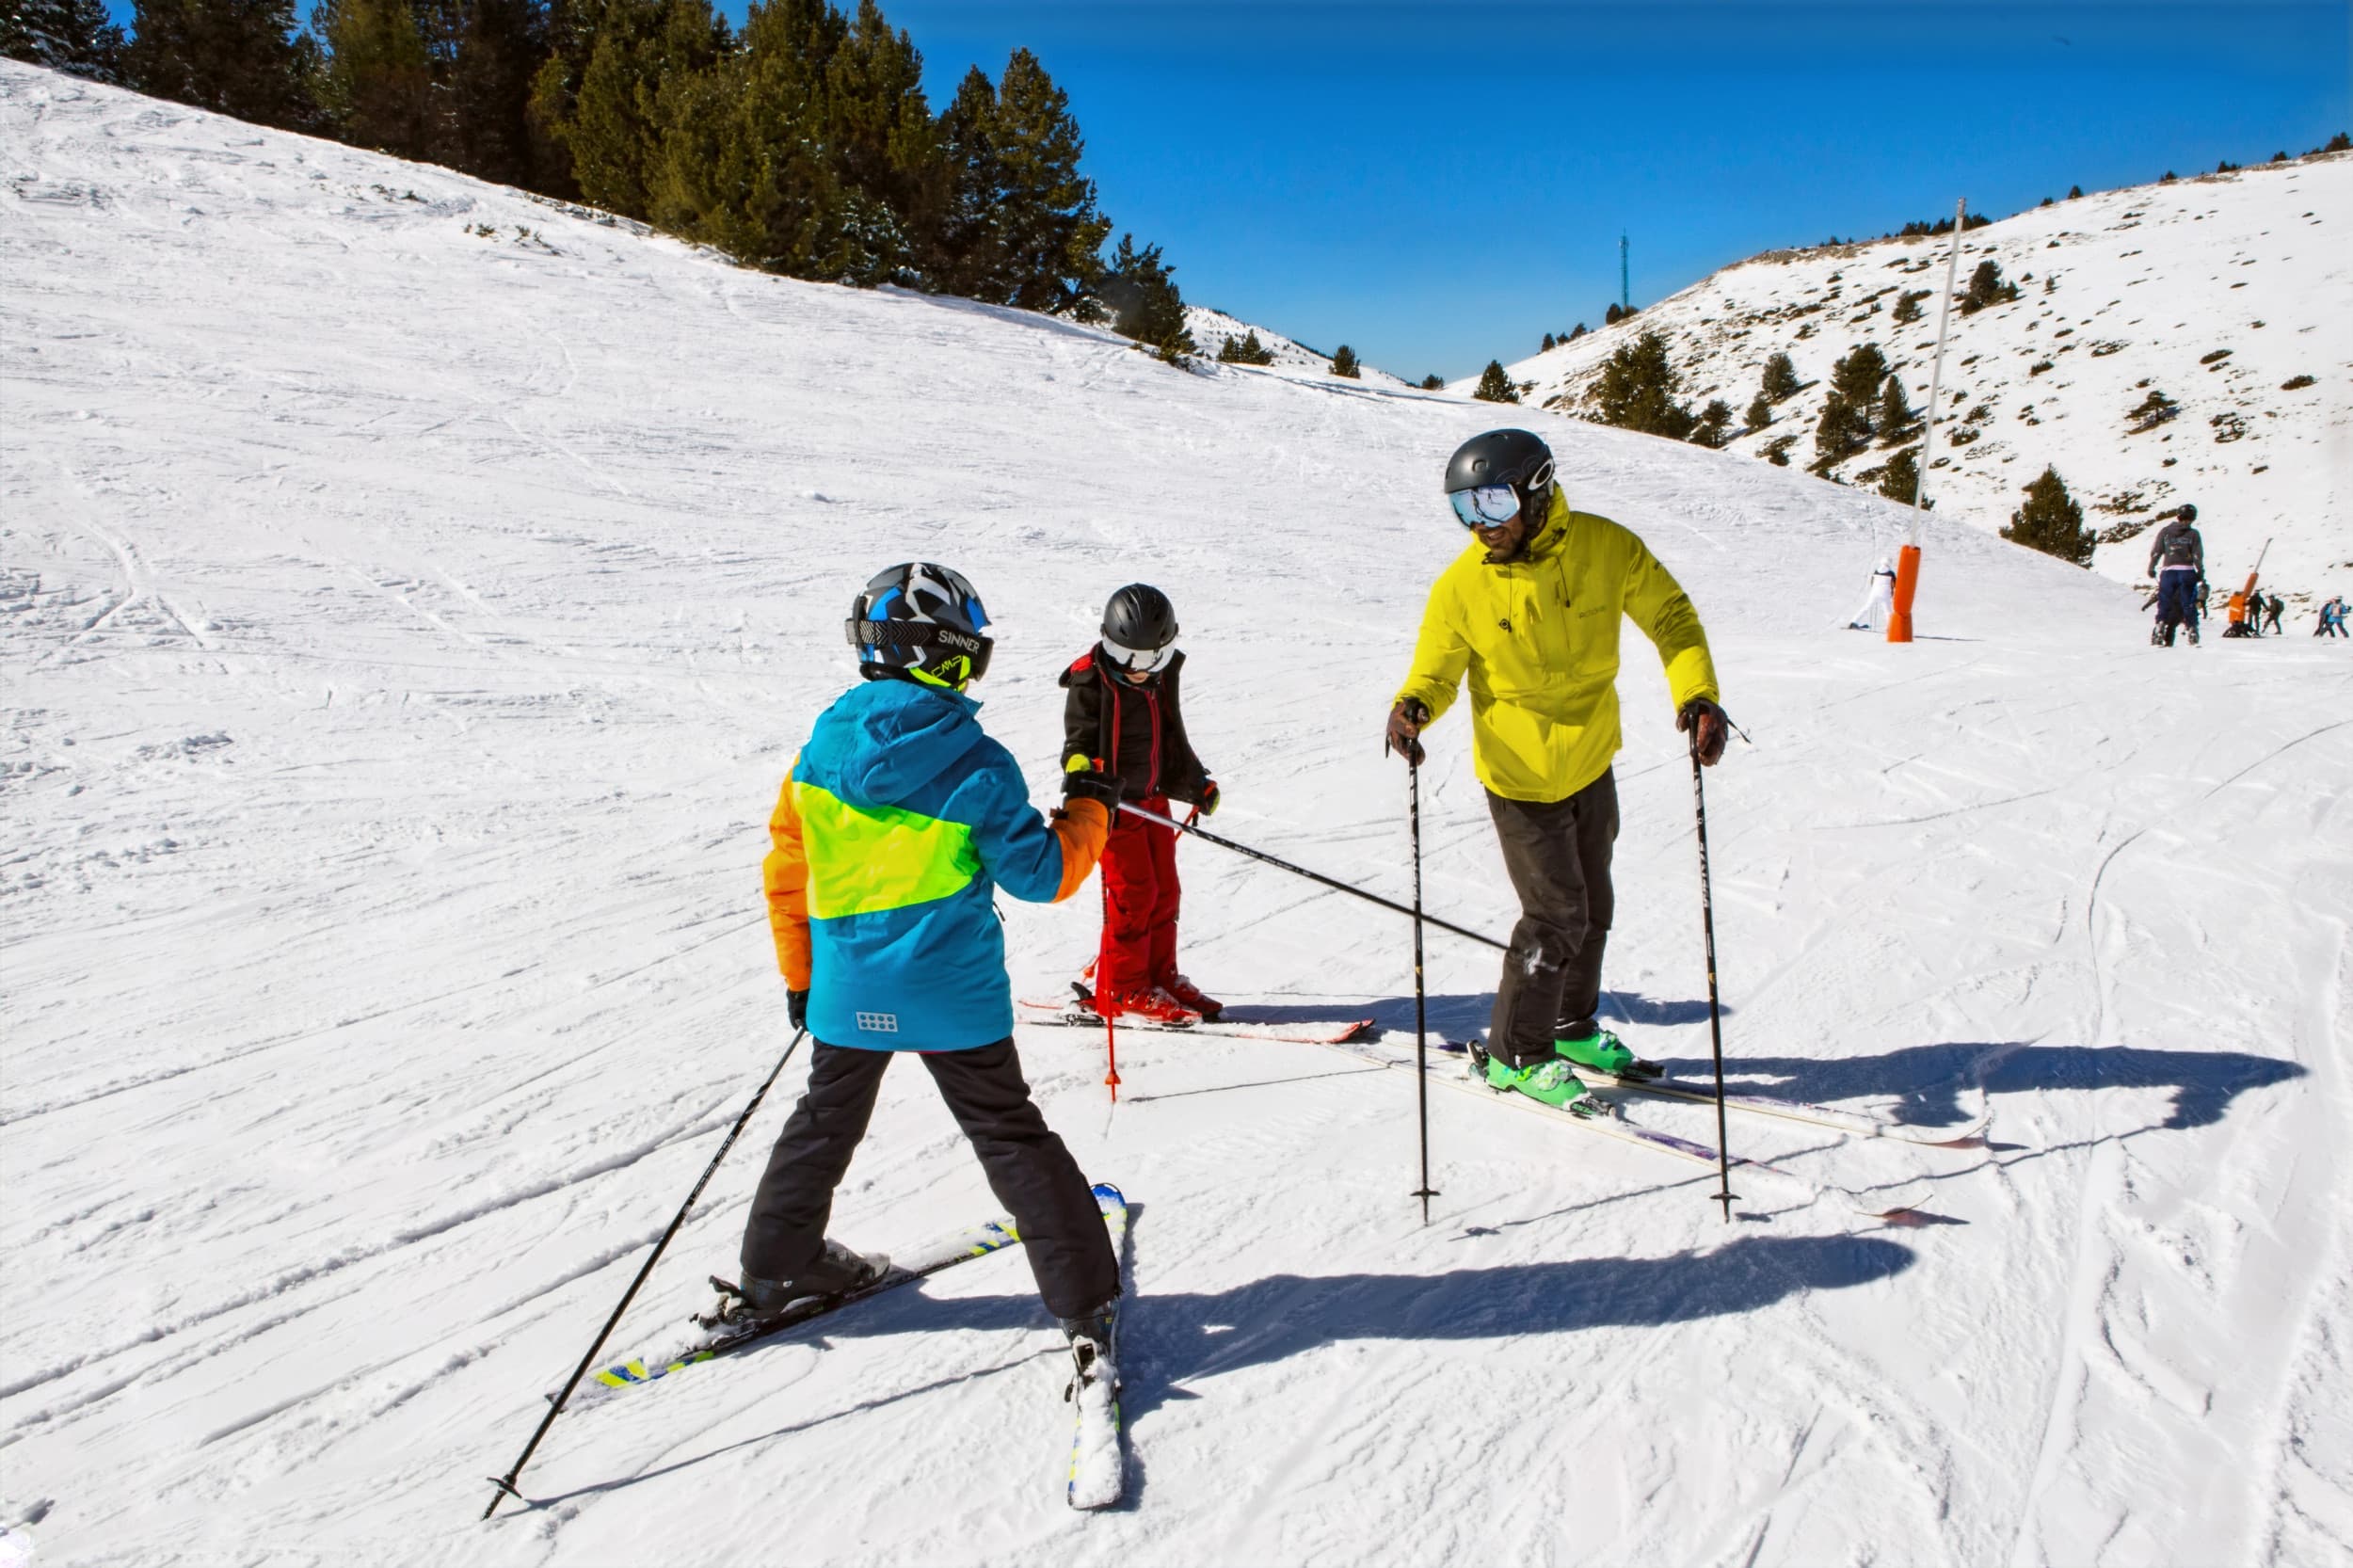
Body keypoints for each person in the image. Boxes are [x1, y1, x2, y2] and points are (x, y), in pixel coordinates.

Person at [724, 562, 1126, 1372]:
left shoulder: (818, 753)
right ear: (941, 656)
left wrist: (803, 980)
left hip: (847, 989)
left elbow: (787, 872)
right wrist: (1091, 808)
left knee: (823, 1121)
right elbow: (1042, 876)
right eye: (970, 651)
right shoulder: (976, 761)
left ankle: (775, 1269)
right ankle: (1085, 1298)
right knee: (1008, 1133)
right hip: (950, 995)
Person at [1386, 429, 1727, 1113]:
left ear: (1536, 489)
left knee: (1593, 907)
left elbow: (1671, 617)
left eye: (1490, 501)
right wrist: (1414, 703)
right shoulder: (1461, 587)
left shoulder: (1607, 548)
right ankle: (1517, 1051)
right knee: (1554, 916)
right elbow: (1437, 665)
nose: (1479, 524)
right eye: (1463, 508)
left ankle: (1569, 1028)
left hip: (1590, 758)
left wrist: (1697, 693)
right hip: (1518, 775)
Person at [1060, 584, 1222, 1025]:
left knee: (1165, 890)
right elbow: (1076, 741)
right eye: (1125, 654)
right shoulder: (1090, 680)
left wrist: (1195, 783)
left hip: (1153, 800)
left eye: (1152, 658)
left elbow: (1170, 735)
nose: (1137, 668)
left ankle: (1158, 974)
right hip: (1114, 808)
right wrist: (1082, 770)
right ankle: (1123, 986)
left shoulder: (1159, 678)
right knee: (1134, 895)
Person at [2146, 504, 2203, 648]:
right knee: (2188, 602)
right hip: (2187, 571)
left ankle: (2160, 626)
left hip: (2168, 572)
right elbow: (2197, 555)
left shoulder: (2165, 532)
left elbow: (2156, 551)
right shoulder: (2193, 534)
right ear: (2193, 518)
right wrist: (2200, 572)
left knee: (2164, 602)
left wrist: (2152, 567)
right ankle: (2192, 630)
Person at [1848, 556, 1897, 632]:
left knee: (1866, 607)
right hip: (1885, 593)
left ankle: (1854, 622)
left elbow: (1872, 582)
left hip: (1874, 592)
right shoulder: (1891, 573)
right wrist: (1892, 593)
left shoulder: (1876, 571)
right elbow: (1895, 585)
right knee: (1887, 611)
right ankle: (1890, 628)